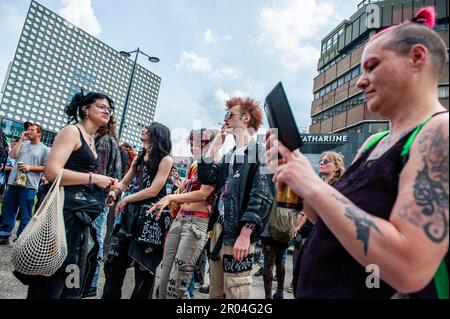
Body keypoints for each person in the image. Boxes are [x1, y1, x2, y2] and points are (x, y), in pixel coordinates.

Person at [266, 7, 448, 298]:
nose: (360, 81)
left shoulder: (441, 132)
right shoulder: (373, 143)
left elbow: (410, 266)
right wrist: (296, 171)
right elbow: (330, 222)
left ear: (417, 57)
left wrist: (314, 185)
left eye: (372, 66)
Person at [24, 91, 117, 298]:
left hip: (78, 217)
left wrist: (102, 189)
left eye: (109, 109)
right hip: (61, 214)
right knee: (51, 275)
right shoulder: (71, 131)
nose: (107, 112)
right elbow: (52, 171)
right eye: (101, 106)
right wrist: (94, 178)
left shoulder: (91, 139)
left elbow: (79, 176)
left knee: (72, 274)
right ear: (85, 109)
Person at [198, 97, 275, 299]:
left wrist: (246, 233)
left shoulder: (261, 153)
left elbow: (262, 196)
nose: (225, 120)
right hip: (218, 230)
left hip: (239, 233)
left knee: (236, 292)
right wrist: (216, 144)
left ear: (246, 118)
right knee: (216, 291)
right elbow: (205, 176)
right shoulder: (229, 155)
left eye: (229, 115)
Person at [102, 122, 173, 299]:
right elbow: (125, 182)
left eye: (148, 129)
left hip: (151, 218)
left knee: (145, 268)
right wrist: (115, 192)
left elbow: (154, 190)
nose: (143, 130)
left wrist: (126, 198)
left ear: (157, 135)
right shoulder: (140, 155)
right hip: (130, 216)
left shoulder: (166, 159)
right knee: (113, 263)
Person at [150, 128, 218, 299]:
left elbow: (203, 193)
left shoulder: (215, 164)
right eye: (192, 143)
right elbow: (186, 188)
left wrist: (171, 196)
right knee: (165, 273)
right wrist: (175, 196)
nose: (192, 147)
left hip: (197, 222)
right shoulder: (195, 165)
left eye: (198, 144)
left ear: (210, 144)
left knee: (178, 279)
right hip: (181, 218)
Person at [83, 115, 122, 298]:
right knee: (93, 238)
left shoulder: (104, 141)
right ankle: (87, 281)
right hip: (98, 198)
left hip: (95, 199)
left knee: (93, 239)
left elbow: (99, 173)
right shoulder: (106, 140)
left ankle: (90, 282)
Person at [0, 122, 49, 245]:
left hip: (29, 185)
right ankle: (4, 234)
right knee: (8, 209)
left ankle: (21, 238)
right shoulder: (23, 144)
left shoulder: (44, 149)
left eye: (32, 130)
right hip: (13, 182)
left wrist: (30, 168)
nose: (29, 131)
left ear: (39, 133)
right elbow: (13, 155)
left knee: (25, 213)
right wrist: (21, 140)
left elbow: (47, 167)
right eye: (28, 129)